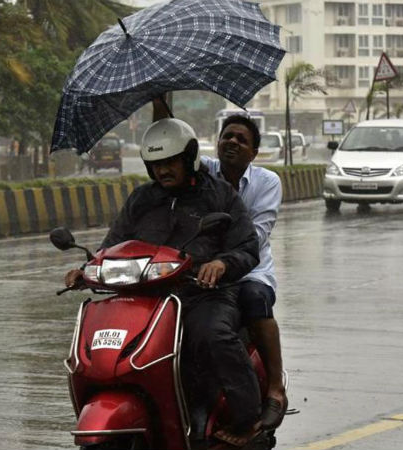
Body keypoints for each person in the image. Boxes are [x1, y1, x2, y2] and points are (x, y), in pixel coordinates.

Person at [64, 118, 264, 447]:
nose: (163, 170)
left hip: (201, 294)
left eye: (170, 162)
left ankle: (248, 419)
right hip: (146, 298)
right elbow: (112, 246)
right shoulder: (142, 199)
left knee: (213, 335)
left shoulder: (218, 195)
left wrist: (220, 263)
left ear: (188, 158)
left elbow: (247, 247)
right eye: (156, 164)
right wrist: (86, 270)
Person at [201, 115, 288, 436]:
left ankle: (275, 387)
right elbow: (172, 152)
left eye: (242, 139)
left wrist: (224, 260)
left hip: (250, 269)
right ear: (217, 142)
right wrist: (161, 105)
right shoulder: (203, 172)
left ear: (253, 153)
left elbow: (257, 236)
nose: (233, 142)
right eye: (227, 136)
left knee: (254, 298)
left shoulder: (267, 182)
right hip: (203, 270)